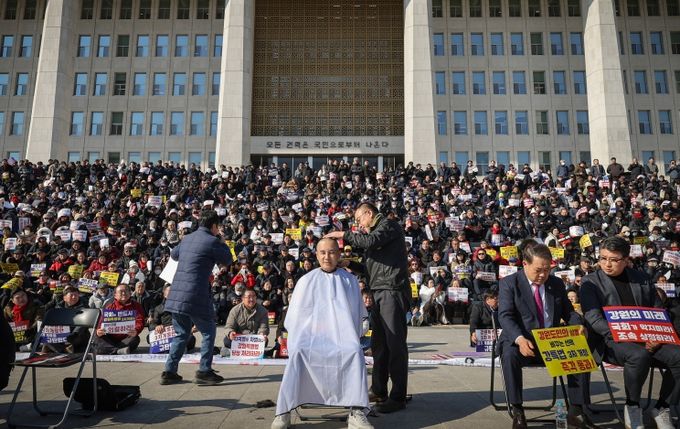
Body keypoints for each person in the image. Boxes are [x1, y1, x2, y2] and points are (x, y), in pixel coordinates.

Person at [272, 238, 372, 429]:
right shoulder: (306, 281)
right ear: (316, 255)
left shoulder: (350, 280)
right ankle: (284, 411)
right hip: (310, 338)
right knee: (298, 351)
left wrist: (349, 333)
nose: (327, 257)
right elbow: (295, 319)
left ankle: (357, 411)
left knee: (354, 351)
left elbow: (357, 314)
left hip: (342, 338)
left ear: (339, 255)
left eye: (332, 252)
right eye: (323, 252)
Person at [581, 236, 680, 429]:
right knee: (638, 355)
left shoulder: (642, 279)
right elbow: (594, 319)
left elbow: (658, 311)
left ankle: (662, 407)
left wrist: (657, 336)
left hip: (648, 337)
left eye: (613, 260)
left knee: (678, 356)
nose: (607, 264)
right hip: (612, 340)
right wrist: (622, 333)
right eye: (603, 258)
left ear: (626, 260)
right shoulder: (590, 281)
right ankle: (632, 405)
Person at [498, 243, 596, 429]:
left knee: (579, 350)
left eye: (547, 269)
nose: (543, 275)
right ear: (525, 264)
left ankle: (576, 410)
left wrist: (578, 324)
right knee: (509, 355)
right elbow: (505, 316)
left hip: (551, 340)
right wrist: (520, 339)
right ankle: (517, 410)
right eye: (538, 270)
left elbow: (569, 312)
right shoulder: (509, 283)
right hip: (522, 339)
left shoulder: (556, 283)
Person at [325, 202, 410, 413]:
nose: (359, 225)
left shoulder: (388, 226)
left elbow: (369, 240)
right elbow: (369, 269)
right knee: (379, 344)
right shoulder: (376, 237)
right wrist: (349, 264)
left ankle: (398, 396)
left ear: (369, 213)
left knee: (395, 344)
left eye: (359, 219)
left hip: (392, 290)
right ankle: (379, 390)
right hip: (379, 290)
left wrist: (343, 234)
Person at [162, 209, 233, 385]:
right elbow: (228, 259)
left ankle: (169, 372)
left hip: (176, 293)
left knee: (181, 333)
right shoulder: (212, 241)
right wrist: (223, 242)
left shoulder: (187, 238)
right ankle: (204, 371)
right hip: (195, 294)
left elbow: (174, 255)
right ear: (214, 226)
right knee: (208, 332)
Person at [95, 284, 145, 355]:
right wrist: (99, 330)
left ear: (130, 293)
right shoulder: (109, 305)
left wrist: (136, 330)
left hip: (126, 337)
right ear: (115, 295)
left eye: (126, 291)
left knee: (135, 339)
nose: (124, 293)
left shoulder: (136, 305)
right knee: (97, 338)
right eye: (121, 291)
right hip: (110, 337)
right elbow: (101, 321)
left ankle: (110, 350)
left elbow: (140, 321)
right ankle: (118, 350)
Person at [221, 288, 269, 357]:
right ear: (243, 299)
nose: (251, 299)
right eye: (249, 297)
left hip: (254, 338)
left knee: (264, 341)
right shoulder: (235, 310)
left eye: (253, 297)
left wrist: (262, 334)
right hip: (239, 339)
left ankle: (236, 352)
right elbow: (229, 326)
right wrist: (230, 333)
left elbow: (264, 327)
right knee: (227, 341)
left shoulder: (263, 311)